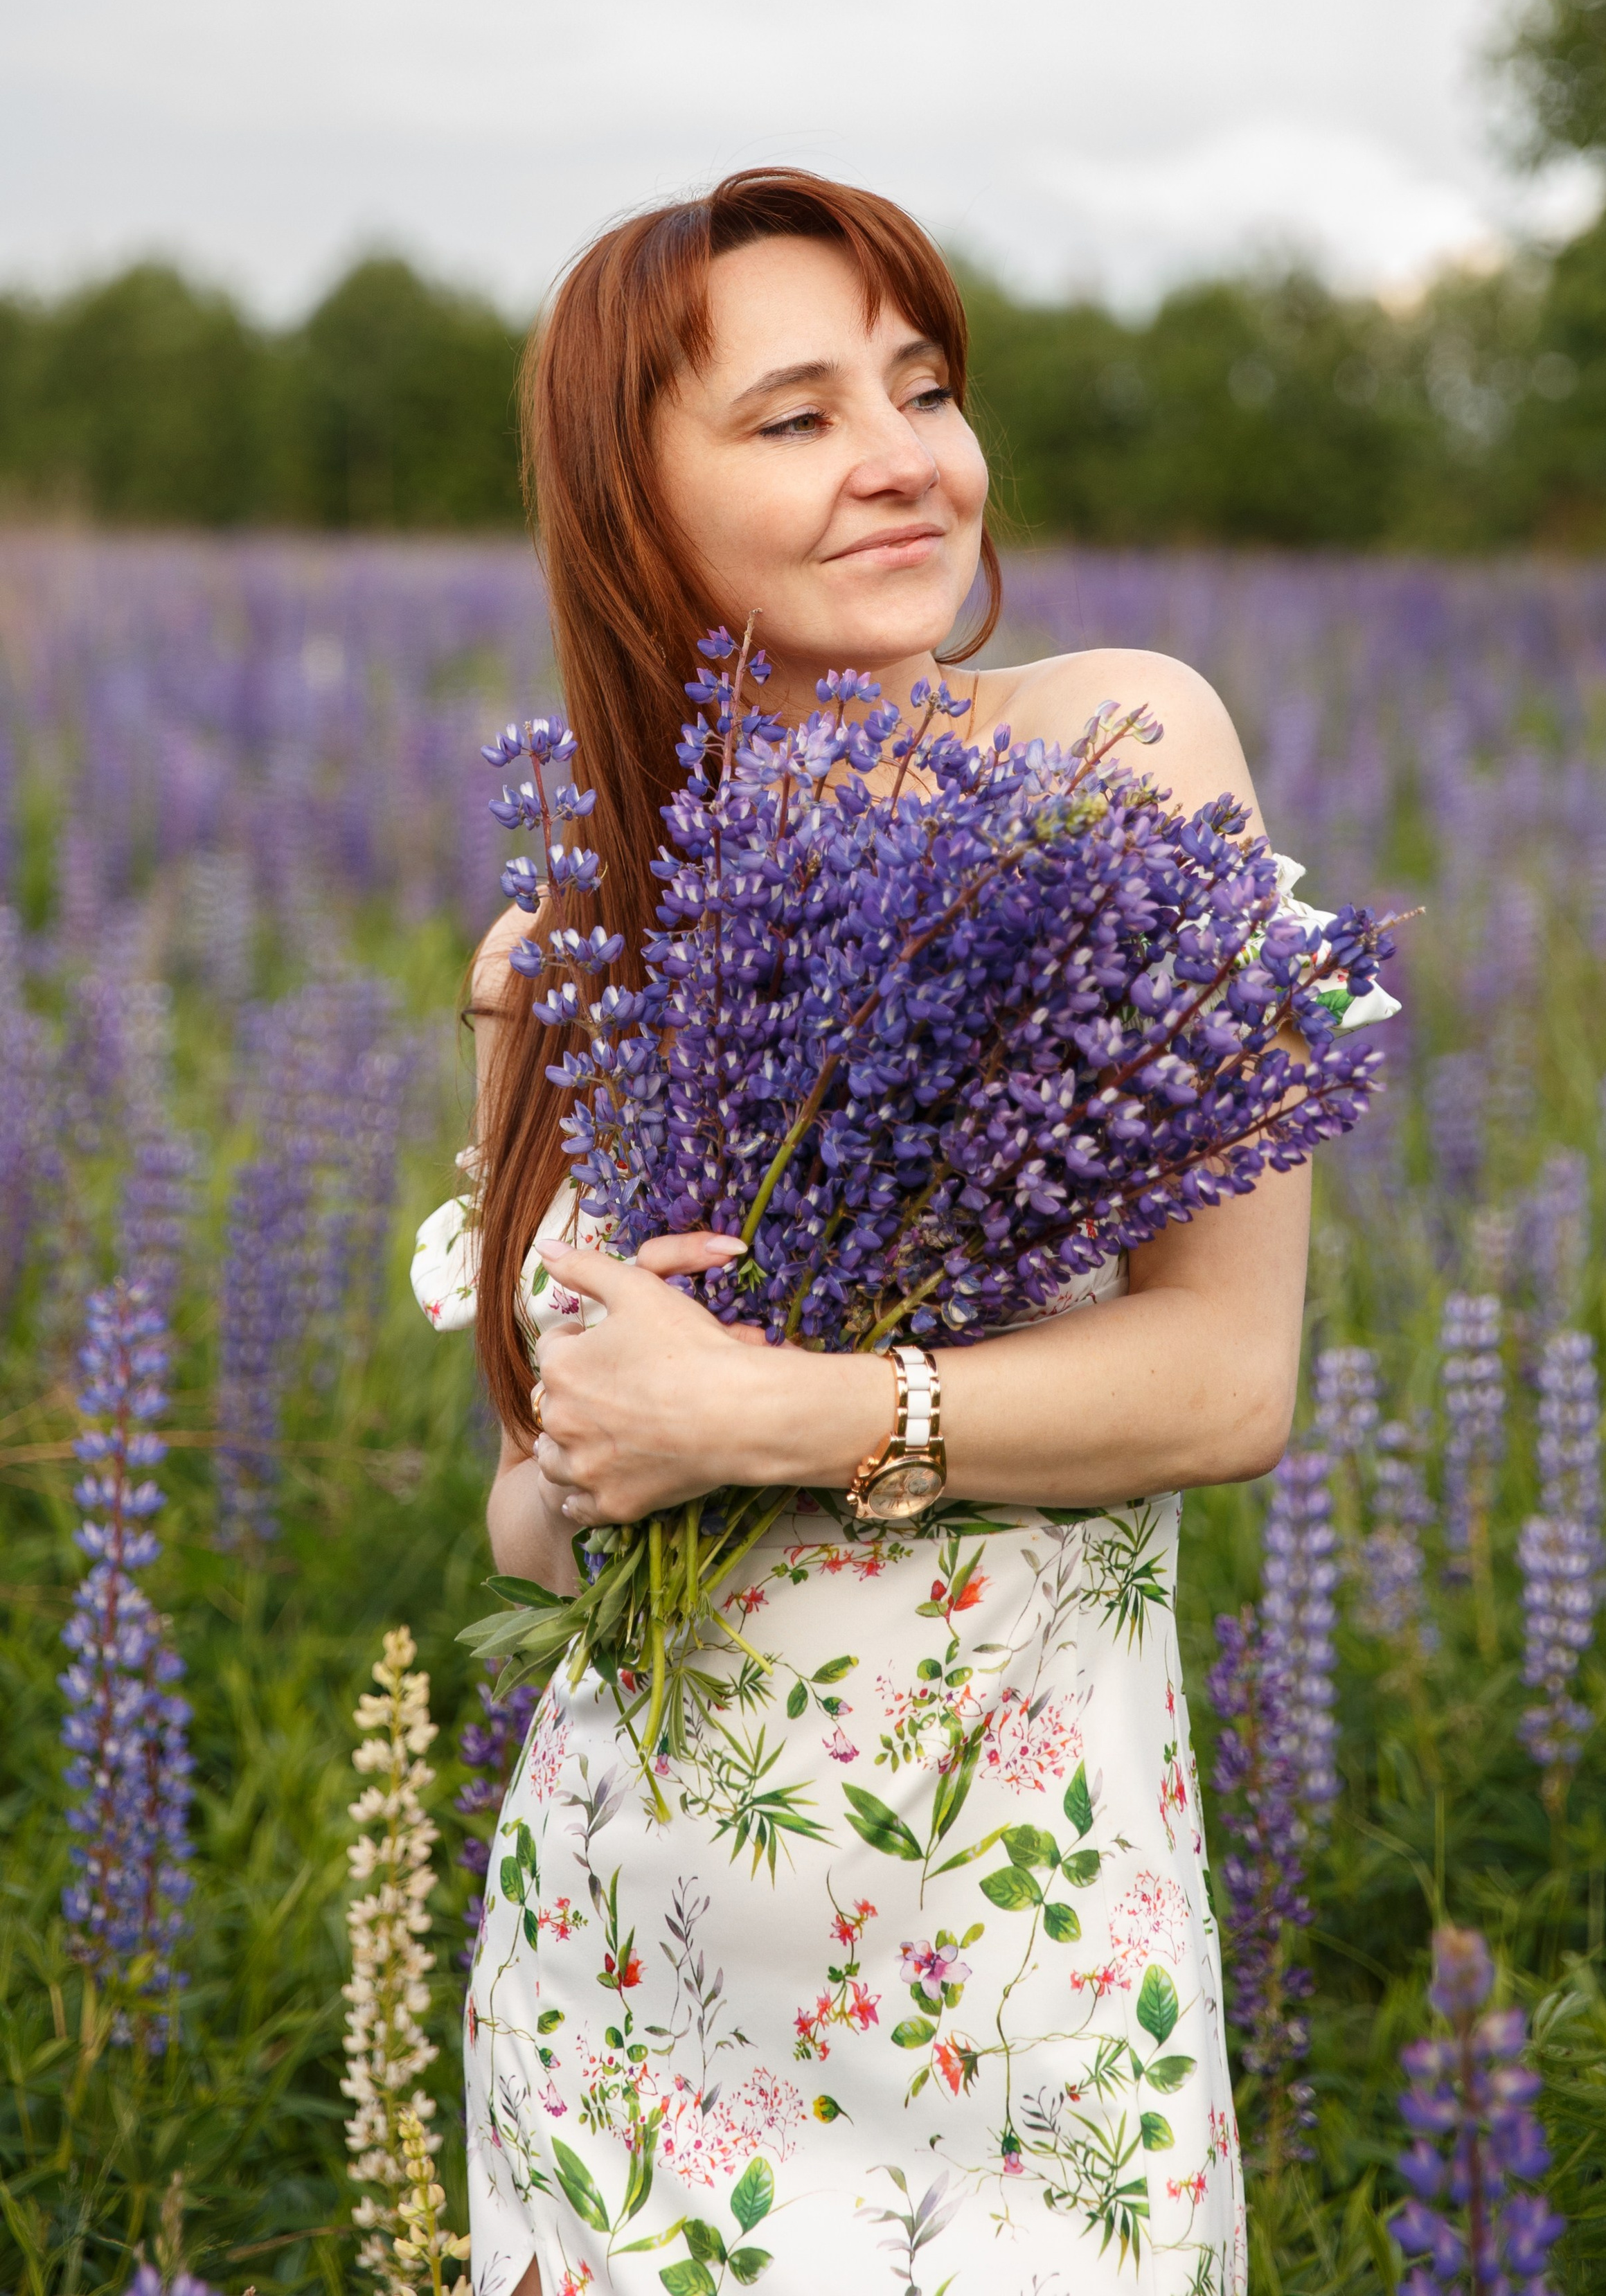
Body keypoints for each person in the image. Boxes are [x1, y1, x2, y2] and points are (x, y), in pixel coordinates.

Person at [413, 168, 1371, 2296]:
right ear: (632, 498)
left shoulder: (1117, 751)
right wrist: (596, 1430)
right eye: (795, 415)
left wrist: (756, 1411)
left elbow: (1226, 1386)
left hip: (1017, 1970)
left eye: (921, 388)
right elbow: (526, 1523)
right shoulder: (562, 939)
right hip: (625, 1979)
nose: (901, 460)